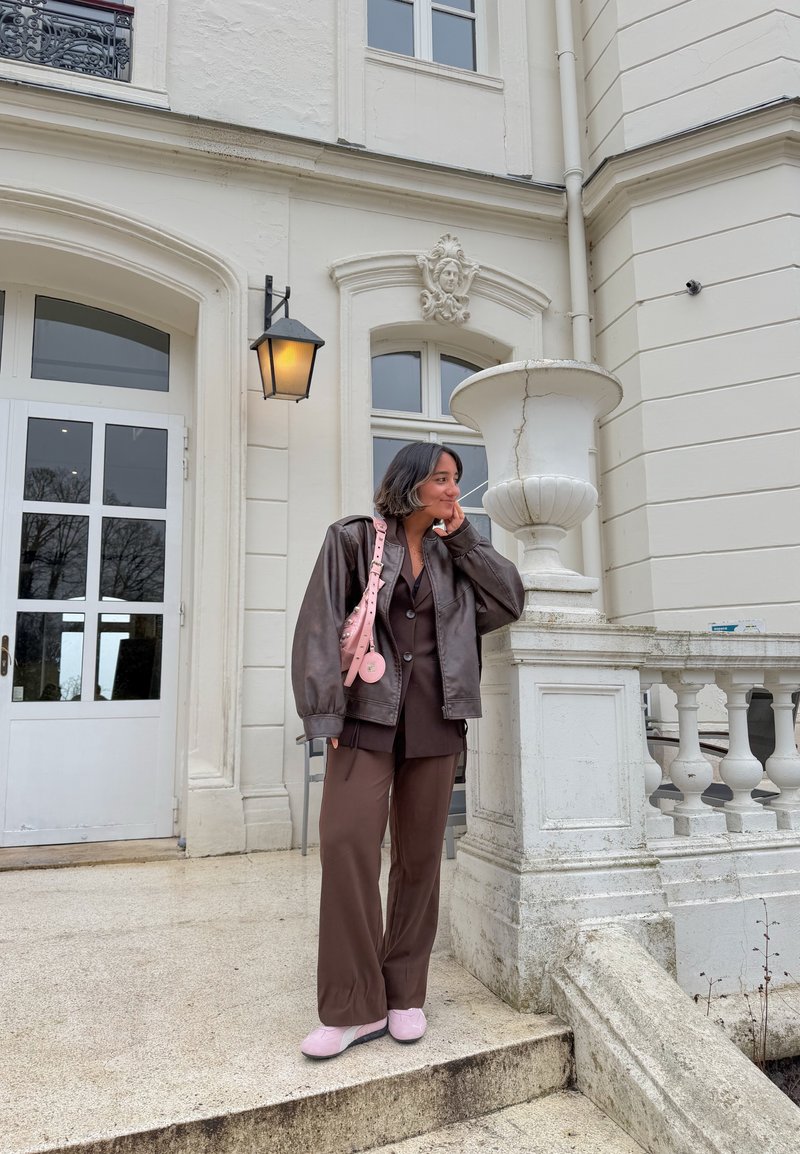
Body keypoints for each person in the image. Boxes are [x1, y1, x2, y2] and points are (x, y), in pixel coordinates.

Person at [292, 441, 524, 1060]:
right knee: (346, 845)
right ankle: (349, 1005)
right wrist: (323, 713)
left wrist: (467, 537)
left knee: (420, 858)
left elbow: (510, 602)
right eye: (443, 480)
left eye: (457, 479)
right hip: (364, 715)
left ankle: (403, 993)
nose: (453, 489)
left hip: (436, 718)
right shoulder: (352, 540)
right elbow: (318, 623)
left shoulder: (457, 556)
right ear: (411, 483)